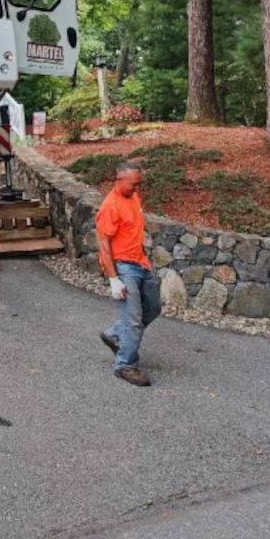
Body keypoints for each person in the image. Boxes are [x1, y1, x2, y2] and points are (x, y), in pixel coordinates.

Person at [95, 159, 161, 387]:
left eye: (138, 184)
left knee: (153, 308)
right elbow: (104, 245)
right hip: (123, 267)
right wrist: (114, 279)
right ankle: (126, 365)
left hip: (141, 264)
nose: (136, 189)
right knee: (133, 319)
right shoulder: (109, 207)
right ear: (119, 179)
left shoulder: (133, 197)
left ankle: (114, 334)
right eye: (133, 184)